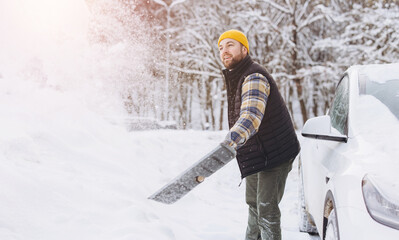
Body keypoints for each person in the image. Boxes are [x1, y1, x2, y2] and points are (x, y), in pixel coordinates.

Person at [218, 29, 300, 240]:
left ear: (244, 49)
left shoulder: (253, 76)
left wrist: (231, 140)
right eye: (220, 47)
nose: (224, 51)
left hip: (275, 154)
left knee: (266, 209)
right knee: (253, 204)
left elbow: (251, 116)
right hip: (256, 152)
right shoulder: (237, 76)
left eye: (230, 45)